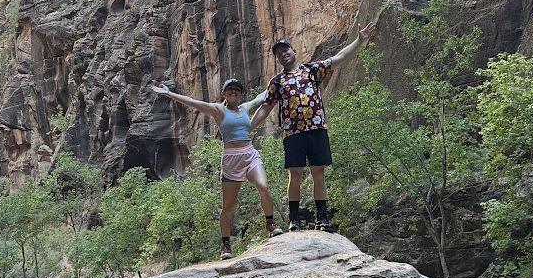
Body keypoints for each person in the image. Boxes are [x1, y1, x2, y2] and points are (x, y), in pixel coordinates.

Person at [255, 22, 376, 231]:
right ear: (277, 59)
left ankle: (323, 218)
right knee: (295, 174)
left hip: (317, 128)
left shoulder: (311, 70)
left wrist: (360, 40)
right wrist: (248, 127)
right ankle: (294, 219)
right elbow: (266, 108)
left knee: (318, 172)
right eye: (279, 54)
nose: (283, 54)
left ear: (293, 51)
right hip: (293, 133)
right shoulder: (277, 82)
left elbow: (338, 58)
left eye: (286, 50)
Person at [148, 77, 282, 258]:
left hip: (249, 154)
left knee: (263, 187)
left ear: (240, 94)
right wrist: (169, 93)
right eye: (230, 89)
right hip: (230, 160)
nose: (233, 92)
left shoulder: (245, 108)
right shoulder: (219, 110)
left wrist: (282, 79)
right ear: (224, 93)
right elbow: (195, 103)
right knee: (228, 207)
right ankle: (226, 244)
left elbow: (262, 96)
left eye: (236, 89)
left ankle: (270, 224)